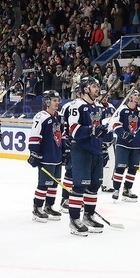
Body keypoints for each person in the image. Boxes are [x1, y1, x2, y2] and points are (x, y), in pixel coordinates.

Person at [66, 76, 107, 236]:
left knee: (94, 186)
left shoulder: (97, 107)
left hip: (96, 150)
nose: (97, 88)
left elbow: (99, 130)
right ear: (85, 89)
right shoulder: (76, 106)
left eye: (98, 85)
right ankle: (74, 219)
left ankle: (89, 216)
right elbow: (73, 130)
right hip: (81, 150)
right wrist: (92, 130)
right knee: (80, 186)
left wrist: (103, 143)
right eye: (93, 86)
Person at [27, 90, 63, 222]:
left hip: (57, 156)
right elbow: (35, 136)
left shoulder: (58, 117)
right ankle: (37, 208)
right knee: (44, 184)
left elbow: (61, 136)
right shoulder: (41, 116)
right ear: (47, 101)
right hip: (46, 156)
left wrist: (65, 151)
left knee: (54, 184)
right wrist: (34, 152)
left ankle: (49, 206)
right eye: (54, 100)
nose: (57, 102)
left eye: (58, 100)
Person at [111, 89, 140, 203]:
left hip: (135, 146)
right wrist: (123, 134)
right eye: (134, 95)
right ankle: (116, 189)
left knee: (133, 169)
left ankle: (127, 190)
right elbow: (115, 124)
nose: (137, 97)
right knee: (120, 167)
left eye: (138, 95)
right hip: (123, 144)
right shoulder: (122, 110)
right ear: (129, 97)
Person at [59, 85, 80, 213]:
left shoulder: (92, 106)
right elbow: (61, 126)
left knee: (82, 174)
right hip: (72, 144)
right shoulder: (68, 106)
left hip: (85, 145)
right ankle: (65, 199)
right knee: (70, 172)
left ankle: (76, 199)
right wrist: (64, 144)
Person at [98, 88, 116, 193]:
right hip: (100, 140)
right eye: (103, 96)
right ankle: (97, 182)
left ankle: (107, 184)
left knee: (112, 162)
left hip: (109, 140)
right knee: (101, 163)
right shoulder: (96, 107)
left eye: (107, 96)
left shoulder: (112, 108)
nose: (105, 98)